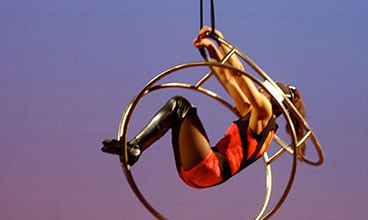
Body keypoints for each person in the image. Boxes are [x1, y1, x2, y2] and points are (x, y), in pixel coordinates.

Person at [102, 27, 307, 188]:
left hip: (210, 167)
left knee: (180, 106)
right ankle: (135, 147)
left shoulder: (264, 111)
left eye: (264, 88)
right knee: (177, 116)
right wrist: (210, 49)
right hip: (200, 172)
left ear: (272, 98)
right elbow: (228, 79)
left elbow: (239, 74)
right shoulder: (254, 117)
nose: (260, 87)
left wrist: (221, 40)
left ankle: (135, 148)